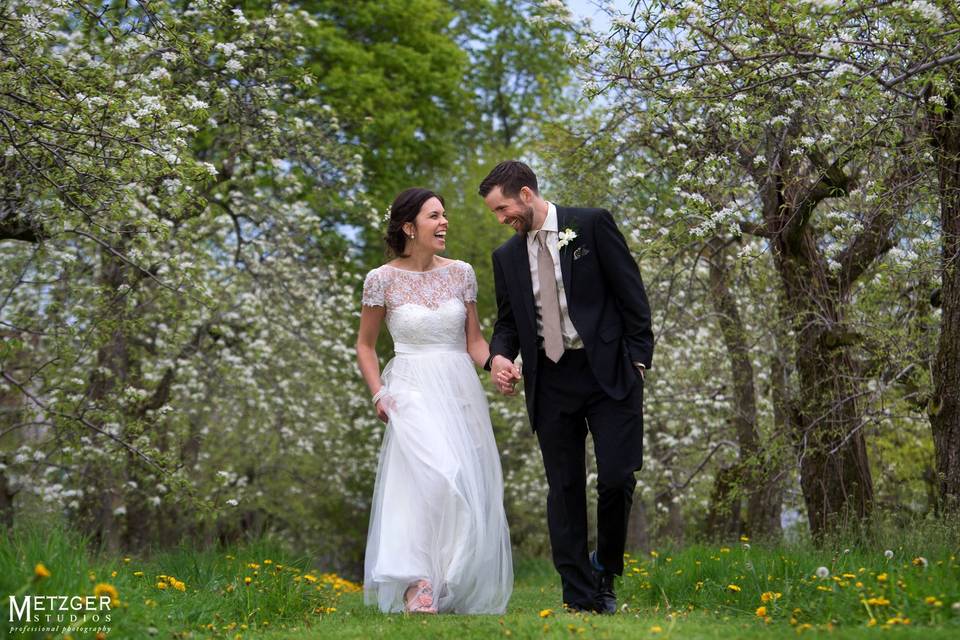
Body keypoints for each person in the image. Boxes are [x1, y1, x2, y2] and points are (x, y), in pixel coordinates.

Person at [480, 161, 653, 614]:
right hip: (550, 379)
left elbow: (631, 293)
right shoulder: (506, 257)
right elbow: (506, 323)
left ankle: (606, 570)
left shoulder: (591, 225)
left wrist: (638, 360)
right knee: (565, 488)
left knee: (617, 477)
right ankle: (579, 595)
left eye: (503, 209)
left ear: (527, 195)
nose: (501, 220)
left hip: (608, 372)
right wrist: (499, 356)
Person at [356, 187, 513, 614]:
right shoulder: (381, 280)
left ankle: (441, 579)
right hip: (408, 388)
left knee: (459, 478)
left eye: (444, 215)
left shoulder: (461, 273)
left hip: (459, 389)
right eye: (434, 216)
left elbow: (474, 340)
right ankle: (415, 580)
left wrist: (497, 365)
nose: (444, 223)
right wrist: (378, 395)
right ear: (410, 227)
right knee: (433, 475)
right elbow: (366, 346)